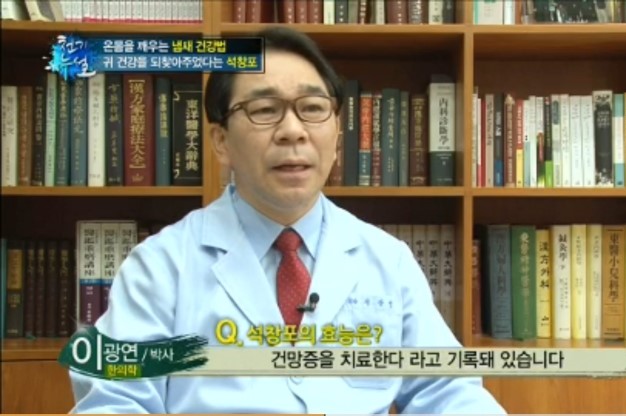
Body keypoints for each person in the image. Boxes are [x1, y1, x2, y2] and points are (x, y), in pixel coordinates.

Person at [69, 26, 507, 414]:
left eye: (312, 108)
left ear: (337, 131)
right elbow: (113, 402)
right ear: (221, 141)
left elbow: (449, 391)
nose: (293, 130)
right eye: (264, 110)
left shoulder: (387, 260)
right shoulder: (160, 267)